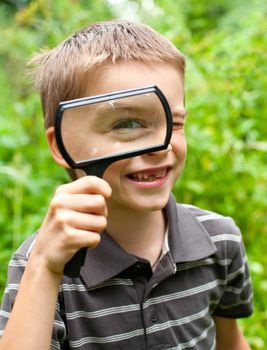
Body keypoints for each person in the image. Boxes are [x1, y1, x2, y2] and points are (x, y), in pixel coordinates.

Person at [0, 19, 253, 350]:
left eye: (174, 123)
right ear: (63, 144)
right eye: (128, 123)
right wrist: (46, 268)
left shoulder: (220, 240)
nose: (161, 146)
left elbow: (231, 343)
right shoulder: (43, 261)